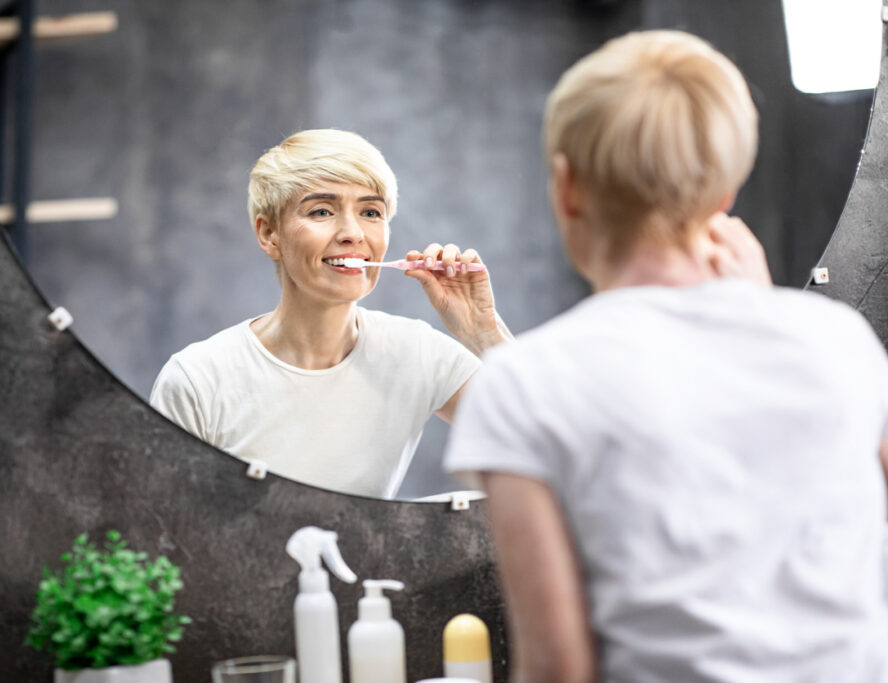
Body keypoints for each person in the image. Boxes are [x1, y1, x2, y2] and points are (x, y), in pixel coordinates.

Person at [445, 30, 888, 682]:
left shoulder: (523, 385)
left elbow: (558, 666)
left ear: (567, 187)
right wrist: (769, 316)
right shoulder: (841, 342)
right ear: (724, 194)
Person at [150, 128, 511, 498]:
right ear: (269, 234)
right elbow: (161, 531)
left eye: (371, 212)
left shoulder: (418, 353)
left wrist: (483, 330)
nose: (353, 233)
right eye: (321, 211)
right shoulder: (196, 380)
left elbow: (551, 443)